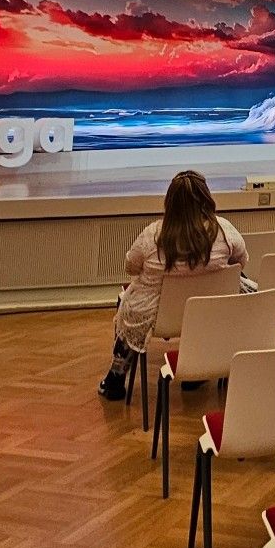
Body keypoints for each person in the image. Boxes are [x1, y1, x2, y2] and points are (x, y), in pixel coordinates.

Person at [98, 170, 248, 398]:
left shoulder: (153, 235)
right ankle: (197, 370)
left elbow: (131, 266)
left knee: (128, 303)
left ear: (170, 201)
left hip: (157, 316)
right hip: (210, 311)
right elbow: (242, 261)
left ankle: (116, 378)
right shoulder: (225, 230)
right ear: (207, 198)